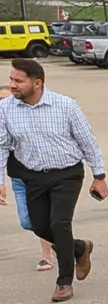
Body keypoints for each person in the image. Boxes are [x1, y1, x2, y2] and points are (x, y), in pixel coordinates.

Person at [0, 58, 108, 303]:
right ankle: (79, 248)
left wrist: (99, 176)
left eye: (18, 80)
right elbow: (1, 146)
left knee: (59, 223)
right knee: (39, 226)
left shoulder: (66, 105)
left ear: (37, 83)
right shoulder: (6, 109)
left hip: (66, 174)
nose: (13, 85)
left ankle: (64, 282)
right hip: (33, 176)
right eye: (11, 79)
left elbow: (88, 143)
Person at [0, 76, 58, 272]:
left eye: (7, 100)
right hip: (18, 179)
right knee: (27, 221)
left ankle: (46, 256)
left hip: (41, 177)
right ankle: (67, 244)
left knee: (45, 216)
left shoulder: (28, 122)